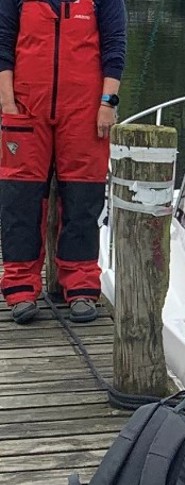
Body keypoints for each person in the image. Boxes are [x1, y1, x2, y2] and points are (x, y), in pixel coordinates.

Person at [0, 0, 126, 324]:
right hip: (25, 108)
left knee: (83, 199)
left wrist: (108, 102)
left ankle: (81, 284)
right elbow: (2, 43)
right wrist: (7, 103)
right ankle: (20, 287)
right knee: (20, 199)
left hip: (86, 111)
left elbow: (115, 48)